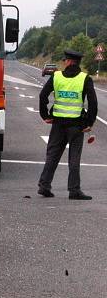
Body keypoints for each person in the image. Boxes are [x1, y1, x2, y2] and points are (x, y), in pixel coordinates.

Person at [38, 49, 97, 200]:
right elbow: (93, 103)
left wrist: (45, 115)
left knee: (52, 155)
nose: (64, 62)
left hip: (57, 123)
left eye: (65, 60)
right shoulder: (85, 78)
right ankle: (74, 190)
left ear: (70, 62)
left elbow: (43, 95)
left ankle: (44, 185)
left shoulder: (56, 76)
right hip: (76, 125)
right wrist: (89, 122)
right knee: (74, 158)